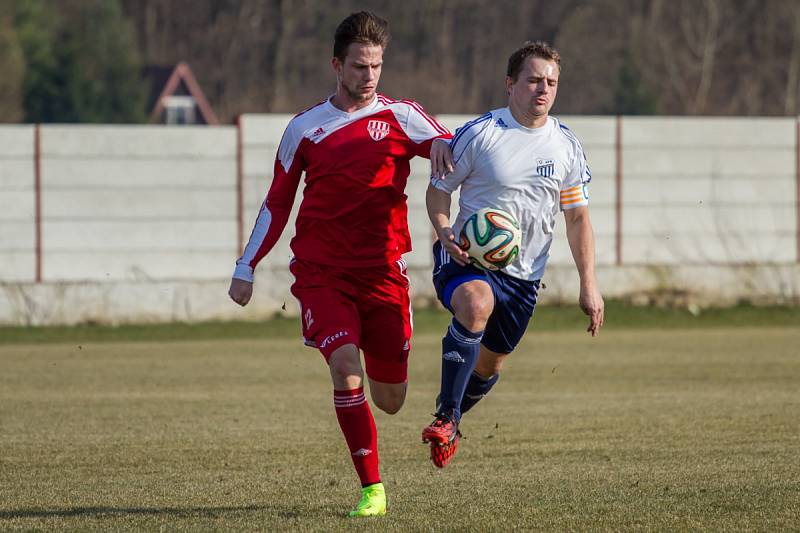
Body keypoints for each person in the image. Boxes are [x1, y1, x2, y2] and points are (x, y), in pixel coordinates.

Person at [228, 12, 450, 516]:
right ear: (337, 64)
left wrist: (442, 145)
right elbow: (277, 201)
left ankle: (384, 424)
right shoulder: (305, 129)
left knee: (391, 398)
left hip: (383, 273)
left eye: (376, 66)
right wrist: (246, 266)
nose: (369, 75)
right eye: (359, 65)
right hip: (322, 274)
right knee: (345, 369)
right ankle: (373, 489)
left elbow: (445, 145)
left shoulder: (402, 116)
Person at [421, 41, 604, 468]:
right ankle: (446, 416)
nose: (543, 89)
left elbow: (577, 218)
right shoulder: (481, 133)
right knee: (475, 303)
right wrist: (445, 232)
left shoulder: (565, 146)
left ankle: (451, 417)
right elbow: (438, 192)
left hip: (523, 278)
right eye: (534, 79)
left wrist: (589, 286)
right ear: (510, 83)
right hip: (466, 258)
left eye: (552, 82)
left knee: (489, 367)